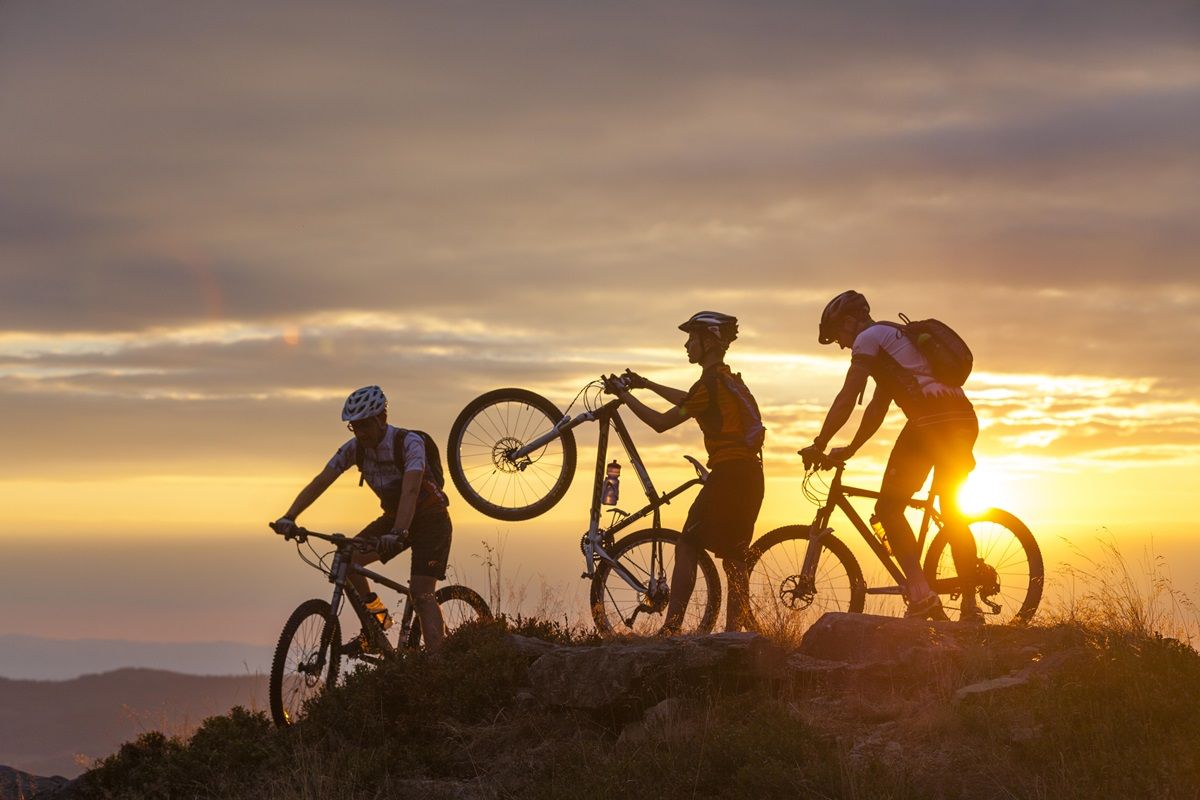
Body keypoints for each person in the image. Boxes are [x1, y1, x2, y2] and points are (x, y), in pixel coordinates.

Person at [800, 290, 981, 622]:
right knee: (952, 509)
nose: (841, 345)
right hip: (963, 420)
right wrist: (852, 448)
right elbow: (877, 408)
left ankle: (921, 594)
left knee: (888, 509)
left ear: (850, 322)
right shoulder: (894, 341)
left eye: (838, 335)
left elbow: (847, 396)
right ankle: (971, 605)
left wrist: (819, 442)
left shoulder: (868, 339)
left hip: (929, 422)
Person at [605, 311, 765, 633]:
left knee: (688, 544)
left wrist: (624, 395)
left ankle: (672, 627)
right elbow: (688, 401)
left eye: (692, 338)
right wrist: (646, 384)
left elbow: (662, 422)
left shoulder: (709, 385)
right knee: (735, 557)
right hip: (751, 475)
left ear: (708, 342)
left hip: (728, 474)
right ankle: (734, 635)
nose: (687, 345)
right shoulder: (726, 381)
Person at [273, 385, 453, 650]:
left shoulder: (409, 443)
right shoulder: (354, 449)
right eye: (354, 427)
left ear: (382, 418)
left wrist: (398, 532)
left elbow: (411, 490)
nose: (360, 433)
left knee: (421, 594)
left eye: (365, 425)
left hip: (430, 519)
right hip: (394, 519)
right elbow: (322, 480)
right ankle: (377, 624)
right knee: (348, 562)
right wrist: (290, 516)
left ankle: (440, 666)